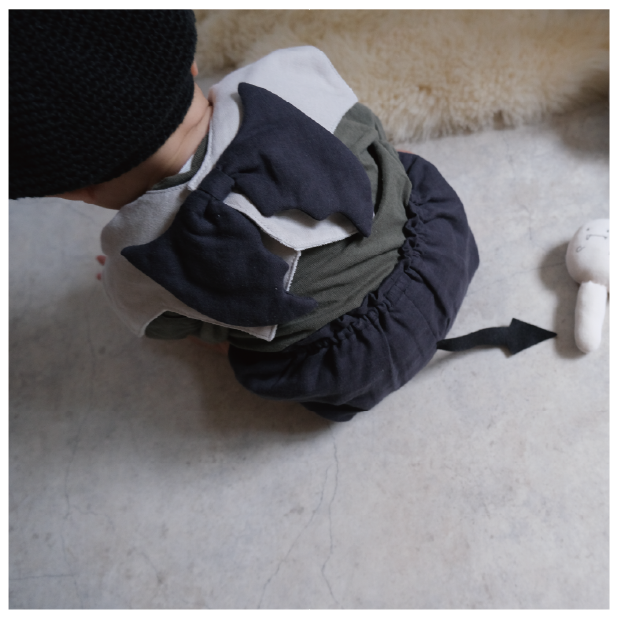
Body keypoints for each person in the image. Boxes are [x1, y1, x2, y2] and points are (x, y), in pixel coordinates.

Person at [9, 9, 479, 421]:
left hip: (356, 367)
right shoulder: (289, 75)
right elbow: (368, 127)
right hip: (442, 242)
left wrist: (150, 288)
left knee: (212, 323)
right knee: (382, 155)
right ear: (190, 61)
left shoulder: (137, 265)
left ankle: (237, 328)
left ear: (74, 192)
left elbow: (163, 327)